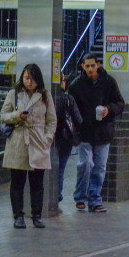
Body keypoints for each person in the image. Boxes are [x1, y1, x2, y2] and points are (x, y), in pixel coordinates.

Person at [0, 63, 57, 229]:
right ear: (22, 78)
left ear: (38, 80)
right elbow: (3, 116)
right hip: (18, 142)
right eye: (26, 78)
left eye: (32, 78)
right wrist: (18, 116)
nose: (29, 81)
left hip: (38, 142)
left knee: (37, 183)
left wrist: (47, 138)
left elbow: (52, 120)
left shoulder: (45, 97)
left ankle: (37, 216)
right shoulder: (14, 94)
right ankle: (18, 216)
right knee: (17, 181)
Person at [68, 51, 125, 213]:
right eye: (87, 66)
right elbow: (70, 107)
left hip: (103, 132)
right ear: (82, 66)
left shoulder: (109, 82)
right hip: (84, 132)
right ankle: (80, 197)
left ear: (98, 65)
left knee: (99, 167)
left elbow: (120, 103)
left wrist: (108, 109)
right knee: (85, 164)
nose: (90, 69)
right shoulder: (76, 85)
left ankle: (95, 199)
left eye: (93, 65)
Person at [53, 75, 83, 208]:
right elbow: (78, 119)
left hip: (47, 139)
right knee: (60, 169)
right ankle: (56, 196)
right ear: (62, 83)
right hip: (65, 139)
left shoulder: (44, 98)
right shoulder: (68, 99)